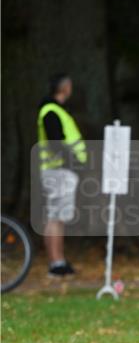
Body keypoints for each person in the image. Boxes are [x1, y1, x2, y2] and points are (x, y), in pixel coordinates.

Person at [37, 72, 88, 277]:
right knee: (56, 218)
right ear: (65, 88)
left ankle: (58, 261)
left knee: (57, 217)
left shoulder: (54, 110)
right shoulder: (52, 111)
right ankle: (56, 262)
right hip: (59, 171)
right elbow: (55, 142)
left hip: (58, 171)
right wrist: (71, 161)